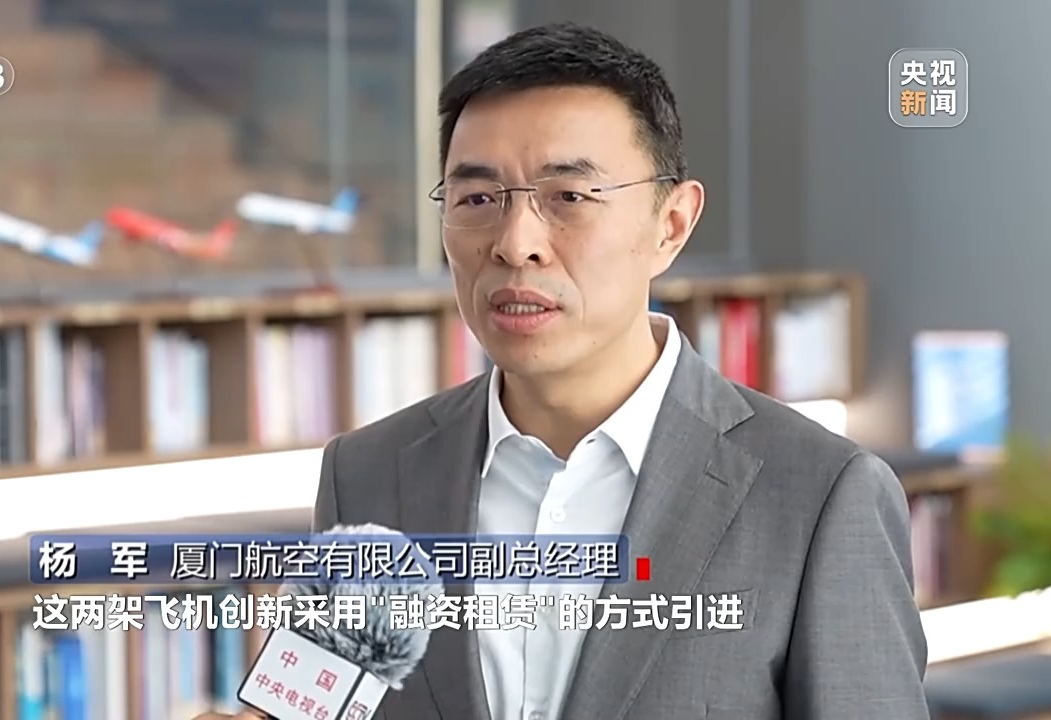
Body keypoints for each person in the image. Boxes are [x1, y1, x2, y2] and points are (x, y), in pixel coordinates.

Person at [198, 21, 929, 720]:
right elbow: (310, 702)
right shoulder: (367, 475)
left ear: (671, 224)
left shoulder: (819, 495)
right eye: (478, 199)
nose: (515, 243)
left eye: (569, 197)